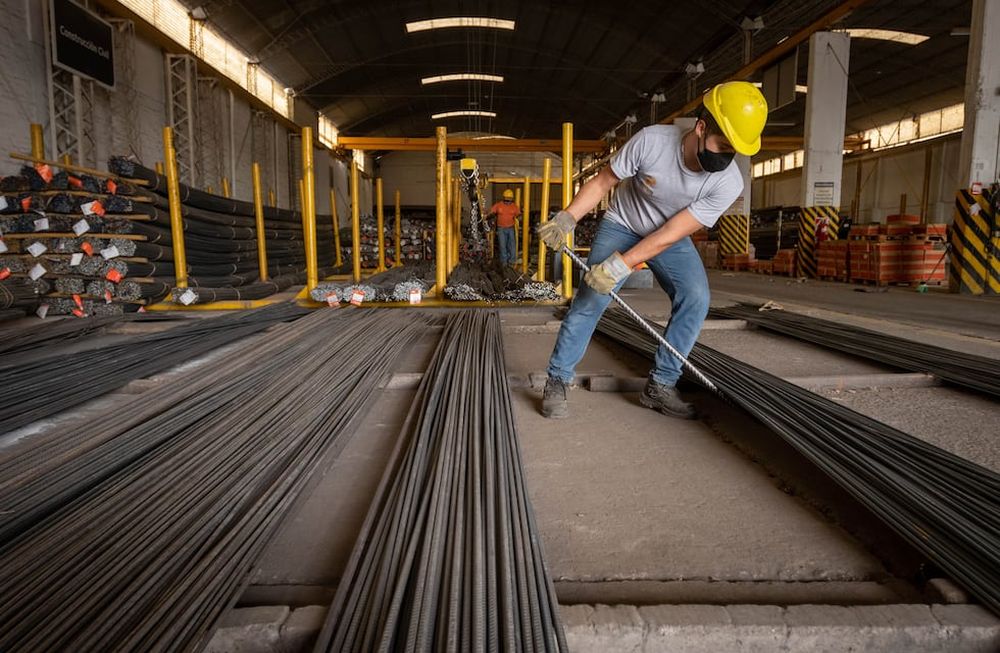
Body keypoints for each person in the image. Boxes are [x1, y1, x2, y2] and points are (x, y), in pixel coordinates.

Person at [537, 81, 767, 420]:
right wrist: (568, 218)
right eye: (722, 144)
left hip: (667, 236)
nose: (725, 157)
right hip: (622, 224)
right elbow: (603, 182)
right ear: (701, 127)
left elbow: (673, 232)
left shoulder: (728, 182)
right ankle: (557, 379)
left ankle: (660, 384)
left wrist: (622, 266)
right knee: (591, 297)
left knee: (696, 297)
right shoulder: (652, 142)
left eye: (733, 150)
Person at [489, 189, 521, 265]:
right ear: (503, 198)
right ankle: (504, 263)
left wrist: (520, 217)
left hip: (511, 228)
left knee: (512, 245)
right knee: (502, 245)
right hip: (501, 229)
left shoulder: (514, 207)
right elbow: (491, 212)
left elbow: (519, 215)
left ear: (512, 199)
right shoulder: (498, 205)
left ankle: (512, 261)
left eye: (509, 200)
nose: (508, 202)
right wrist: (488, 216)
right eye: (506, 200)